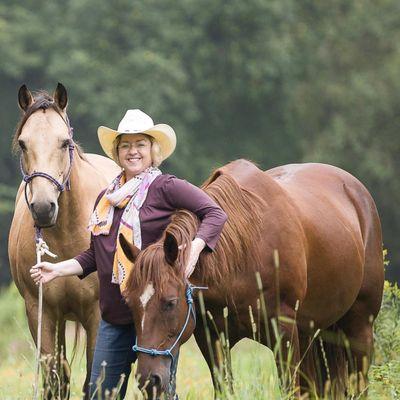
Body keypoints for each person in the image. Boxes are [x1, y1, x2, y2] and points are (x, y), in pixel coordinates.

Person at [30, 109, 227, 399]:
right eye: (126, 145)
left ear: (153, 150)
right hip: (114, 319)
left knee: (156, 395)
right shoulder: (107, 198)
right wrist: (58, 269)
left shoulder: (165, 187)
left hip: (154, 317)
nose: (133, 151)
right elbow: (96, 255)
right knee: (100, 395)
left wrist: (195, 249)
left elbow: (214, 213)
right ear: (118, 152)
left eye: (140, 145)